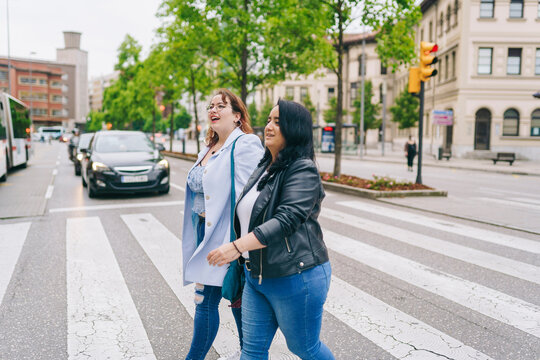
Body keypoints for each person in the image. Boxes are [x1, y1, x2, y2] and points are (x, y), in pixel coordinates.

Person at [208, 99, 334, 360]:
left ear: (295, 129)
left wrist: (236, 247)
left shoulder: (303, 169)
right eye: (268, 120)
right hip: (256, 276)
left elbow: (286, 220)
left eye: (278, 122)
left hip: (295, 276)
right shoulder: (263, 168)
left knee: (304, 348)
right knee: (252, 352)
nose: (269, 126)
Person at [182, 89, 264, 360]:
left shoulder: (245, 144)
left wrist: (239, 246)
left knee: (238, 304)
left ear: (238, 116)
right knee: (205, 304)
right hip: (205, 235)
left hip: (229, 238)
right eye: (210, 106)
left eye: (221, 106)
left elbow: (250, 197)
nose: (213, 110)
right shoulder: (208, 147)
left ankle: (251, 355)